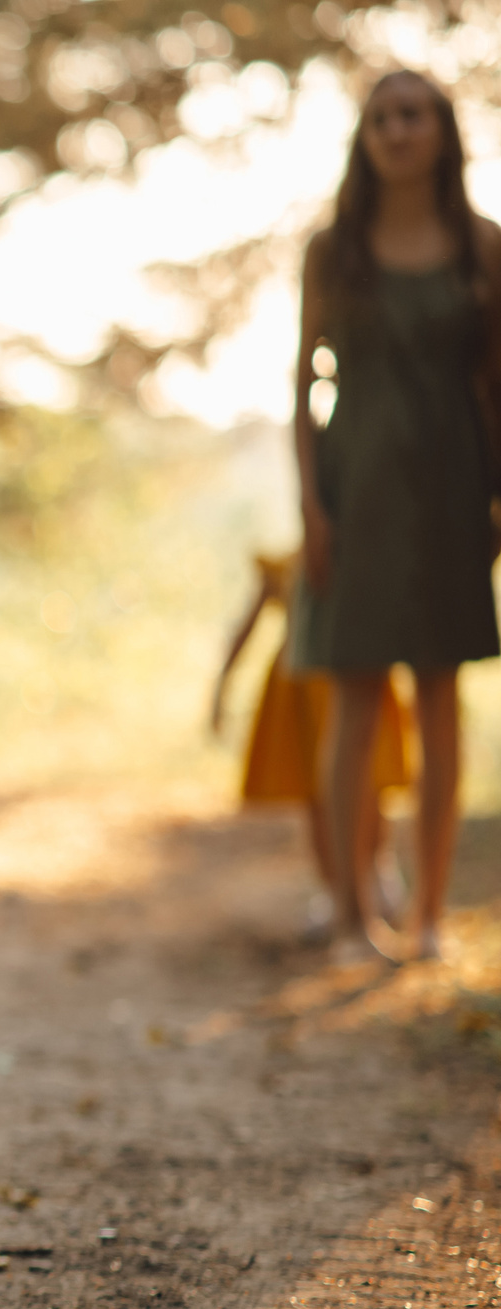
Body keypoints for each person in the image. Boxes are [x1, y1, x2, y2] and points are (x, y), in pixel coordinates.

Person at [294, 68, 501, 964]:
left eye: (412, 114)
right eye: (380, 117)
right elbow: (301, 385)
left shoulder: (484, 247)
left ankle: (426, 917)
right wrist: (310, 503)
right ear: (364, 137)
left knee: (441, 695)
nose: (396, 129)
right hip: (358, 489)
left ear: (443, 130)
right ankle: (351, 917)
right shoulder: (331, 250)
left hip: (456, 489)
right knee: (354, 699)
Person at [211, 549, 414, 937]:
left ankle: (377, 871)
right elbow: (245, 630)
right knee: (317, 794)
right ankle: (335, 889)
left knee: (372, 781)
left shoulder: (365, 557)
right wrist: (221, 686)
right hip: (302, 688)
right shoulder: (283, 569)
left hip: (358, 679)